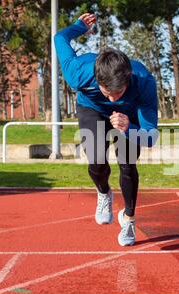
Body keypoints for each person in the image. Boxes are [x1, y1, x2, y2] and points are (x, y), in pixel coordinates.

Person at [54, 13, 159, 246]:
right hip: (91, 109)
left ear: (128, 79)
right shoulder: (78, 71)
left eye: (118, 92)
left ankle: (129, 219)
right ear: (97, 79)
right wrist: (79, 26)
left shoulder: (143, 82)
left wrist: (130, 127)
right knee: (95, 159)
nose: (112, 98)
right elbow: (60, 38)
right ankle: (104, 193)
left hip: (128, 117)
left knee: (127, 163)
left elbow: (151, 137)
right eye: (106, 91)